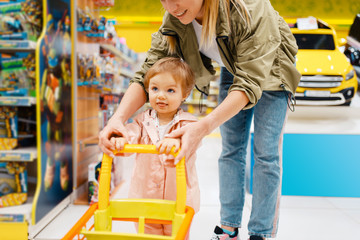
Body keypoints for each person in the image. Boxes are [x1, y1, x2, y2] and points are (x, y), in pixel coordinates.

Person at [99, 0, 301, 239]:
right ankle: (229, 226)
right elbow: (148, 73)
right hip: (233, 65)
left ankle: (262, 231)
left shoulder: (251, 8)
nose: (171, 6)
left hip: (273, 68)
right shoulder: (175, 17)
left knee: (266, 154)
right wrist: (118, 119)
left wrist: (202, 127)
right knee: (230, 150)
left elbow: (250, 80)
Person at [110, 57, 200, 237]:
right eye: (155, 88)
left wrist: (178, 141)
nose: (161, 95)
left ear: (184, 94)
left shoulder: (189, 124)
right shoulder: (142, 120)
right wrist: (123, 139)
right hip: (145, 197)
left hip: (178, 200)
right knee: (147, 235)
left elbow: (193, 142)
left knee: (177, 235)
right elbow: (132, 133)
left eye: (170, 90)